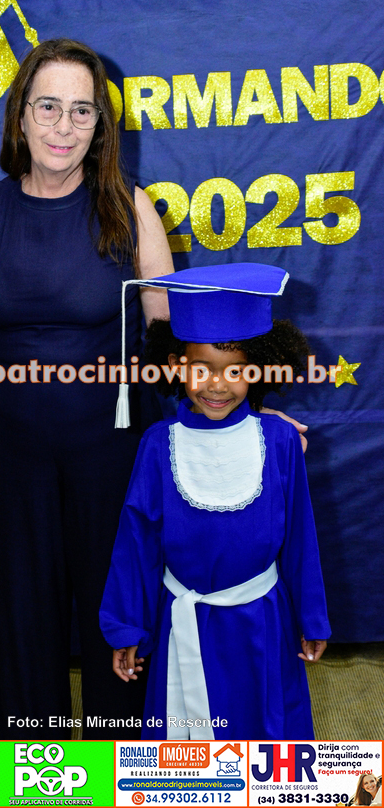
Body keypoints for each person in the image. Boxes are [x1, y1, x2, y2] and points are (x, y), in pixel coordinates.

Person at [0, 38, 174, 740]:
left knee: (116, 619)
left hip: (112, 452)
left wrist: (246, 419)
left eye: (82, 111)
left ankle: (122, 768)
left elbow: (173, 338)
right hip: (12, 450)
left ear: (100, 126)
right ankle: (33, 770)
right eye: (48, 106)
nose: (63, 126)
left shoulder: (130, 208)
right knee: (23, 618)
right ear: (20, 115)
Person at [100, 263, 330, 740]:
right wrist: (126, 626)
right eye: (200, 369)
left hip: (261, 624)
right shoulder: (158, 444)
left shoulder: (279, 441)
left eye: (235, 371)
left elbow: (300, 538)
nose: (217, 385)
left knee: (264, 742)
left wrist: (311, 618)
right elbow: (137, 542)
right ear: (176, 365)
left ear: (259, 368)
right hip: (184, 622)